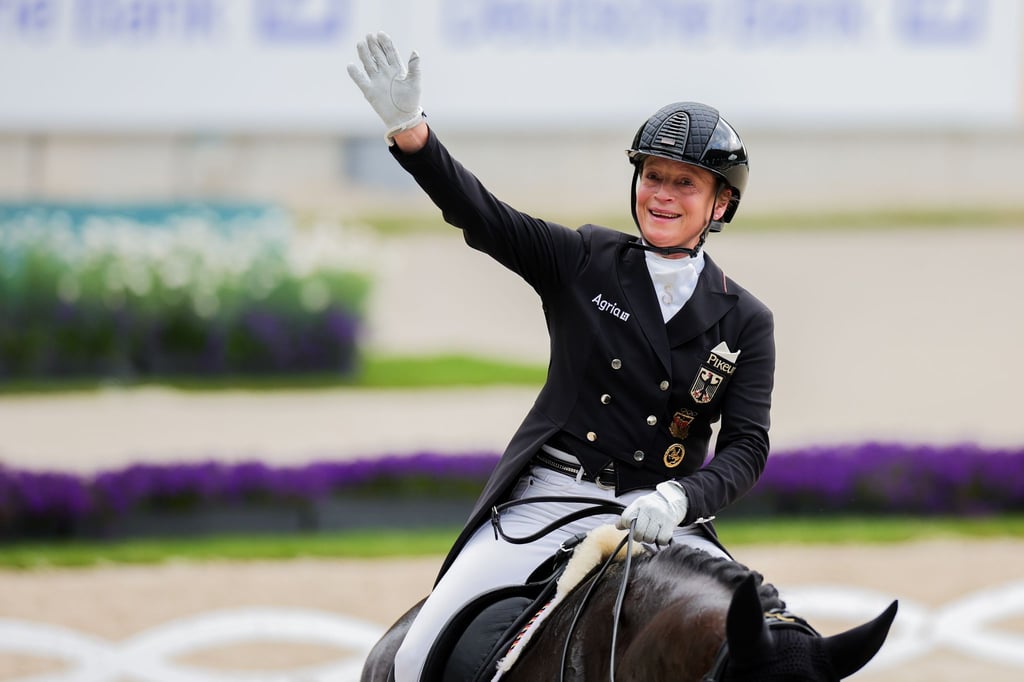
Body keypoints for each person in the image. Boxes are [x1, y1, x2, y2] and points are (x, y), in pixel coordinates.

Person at [348, 32, 775, 682]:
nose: (661, 194)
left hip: (663, 519)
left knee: (762, 647)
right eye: (652, 176)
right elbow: (486, 217)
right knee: (414, 655)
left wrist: (680, 500)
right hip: (552, 499)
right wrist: (413, 135)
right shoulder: (584, 260)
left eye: (684, 183)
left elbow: (747, 446)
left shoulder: (745, 319)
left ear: (720, 204)